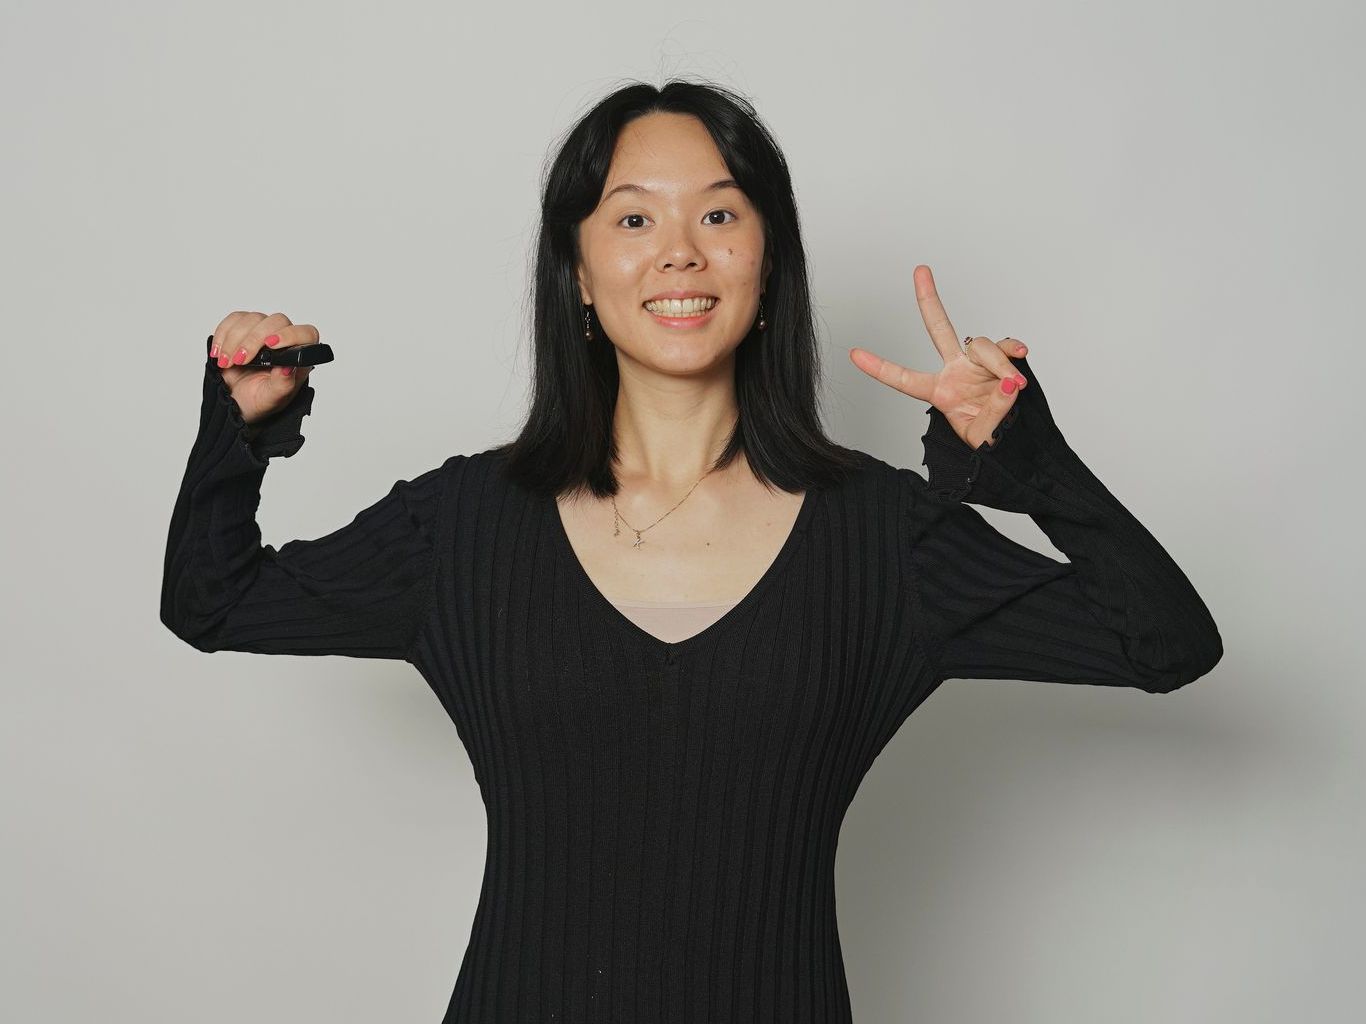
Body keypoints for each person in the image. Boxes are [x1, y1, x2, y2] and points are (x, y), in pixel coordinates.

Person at [161, 78, 1223, 1023]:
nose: (680, 249)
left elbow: (1166, 643)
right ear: (578, 272)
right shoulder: (466, 523)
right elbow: (210, 603)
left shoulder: (880, 538)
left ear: (768, 262)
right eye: (632, 218)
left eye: (719, 212)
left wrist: (1024, 461)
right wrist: (239, 428)